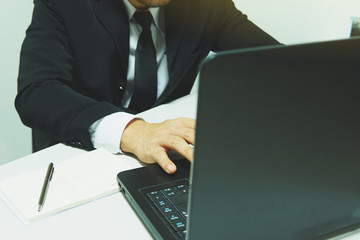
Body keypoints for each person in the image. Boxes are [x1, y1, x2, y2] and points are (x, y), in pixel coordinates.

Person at [15, 0, 279, 174]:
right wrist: (133, 132)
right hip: (78, 159)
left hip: (164, 161)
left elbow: (277, 63)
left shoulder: (204, 4)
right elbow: (37, 92)